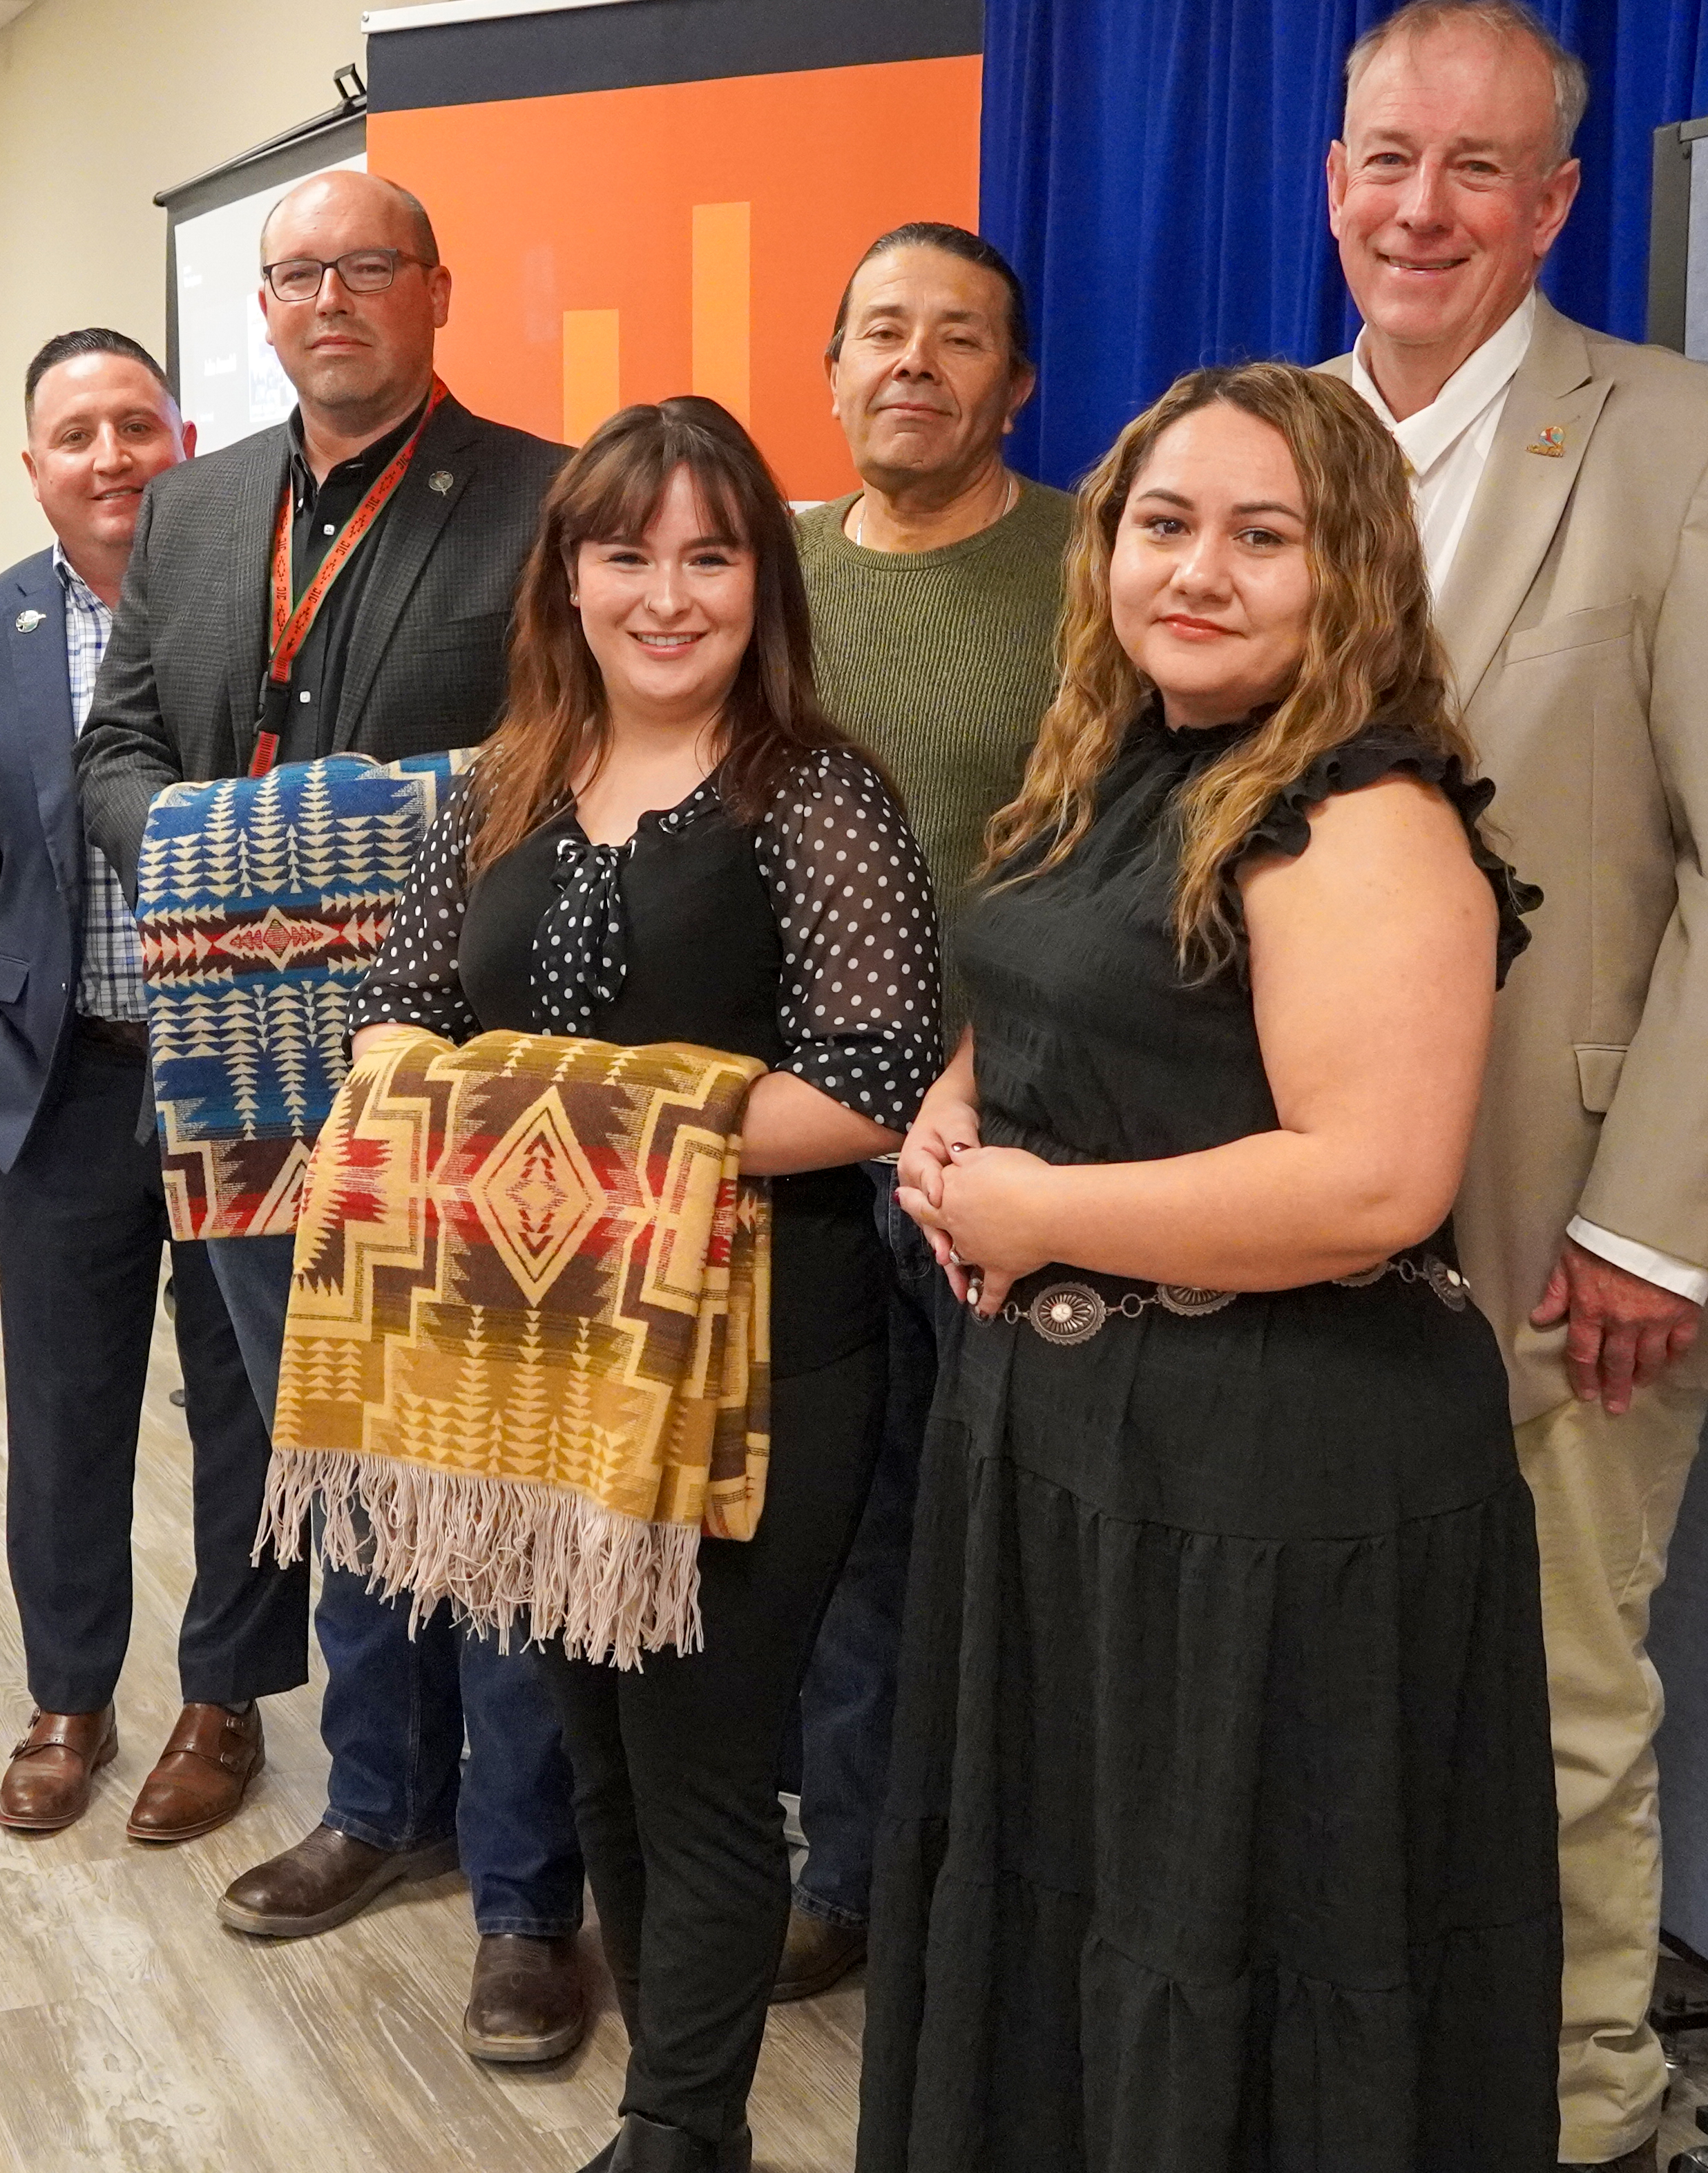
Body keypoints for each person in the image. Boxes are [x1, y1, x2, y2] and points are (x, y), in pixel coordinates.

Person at [861, 362, 1561, 2168]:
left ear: (1355, 576)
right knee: (1074, 1923)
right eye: (1164, 525)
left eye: (1266, 536)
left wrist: (1035, 1215)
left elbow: (1369, 1188)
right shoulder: (1120, 759)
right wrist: (950, 1116)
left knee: (1233, 1956)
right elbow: (1045, 986)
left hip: (1275, 1488)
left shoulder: (1359, 817)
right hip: (1079, 1456)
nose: (1198, 571)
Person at [1320, 0, 1708, 2172]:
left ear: (1549, 201)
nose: (1416, 208)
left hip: (1581, 1230)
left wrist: (1649, 1223)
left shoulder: (1695, 446)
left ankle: (1582, 2122)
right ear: (1328, 175)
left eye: (1471, 167)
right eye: (1382, 158)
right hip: (1316, 1224)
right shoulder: (1262, 444)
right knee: (1351, 1721)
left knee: (1553, 1727)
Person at [347, 396, 938, 2173]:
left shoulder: (813, 790)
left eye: (709, 555)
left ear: (763, 582)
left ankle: (683, 2133)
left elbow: (875, 1077)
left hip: (759, 1353)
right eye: (627, 554)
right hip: (536, 1347)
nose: (666, 595)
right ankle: (677, 2114)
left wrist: (555, 1134)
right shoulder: (503, 777)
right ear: (568, 576)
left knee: (699, 1766)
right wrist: (448, 1083)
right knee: (592, 1744)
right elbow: (398, 1018)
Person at [77, 169, 590, 2062]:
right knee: (338, 1463)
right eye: (293, 275)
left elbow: (575, 746)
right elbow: (114, 755)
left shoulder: (546, 496)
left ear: (433, 290)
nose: (326, 300)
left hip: (462, 1068)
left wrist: (338, 846)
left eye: (363, 269)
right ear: (264, 308)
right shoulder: (198, 508)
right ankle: (376, 1808)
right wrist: (221, 851)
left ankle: (532, 1894)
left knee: (488, 1479)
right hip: (235, 1078)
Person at [0, 327, 307, 1840]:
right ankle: (68, 1692)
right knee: (63, 1404)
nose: (108, 457)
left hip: (236, 1082)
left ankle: (226, 1698)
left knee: (245, 1406)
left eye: (135, 426)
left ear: (183, 440)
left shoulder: (254, 608)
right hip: (59, 1080)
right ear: (33, 468)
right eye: (74, 433)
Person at [778, 220, 1073, 2002]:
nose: (913, 363)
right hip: (804, 1145)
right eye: (880, 329)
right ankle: (856, 1873)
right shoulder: (774, 571)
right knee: (842, 1538)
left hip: (1014, 1154)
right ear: (829, 370)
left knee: (1006, 1549)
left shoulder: (1090, 564)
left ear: (1013, 385)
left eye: (957, 338)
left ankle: (997, 1906)